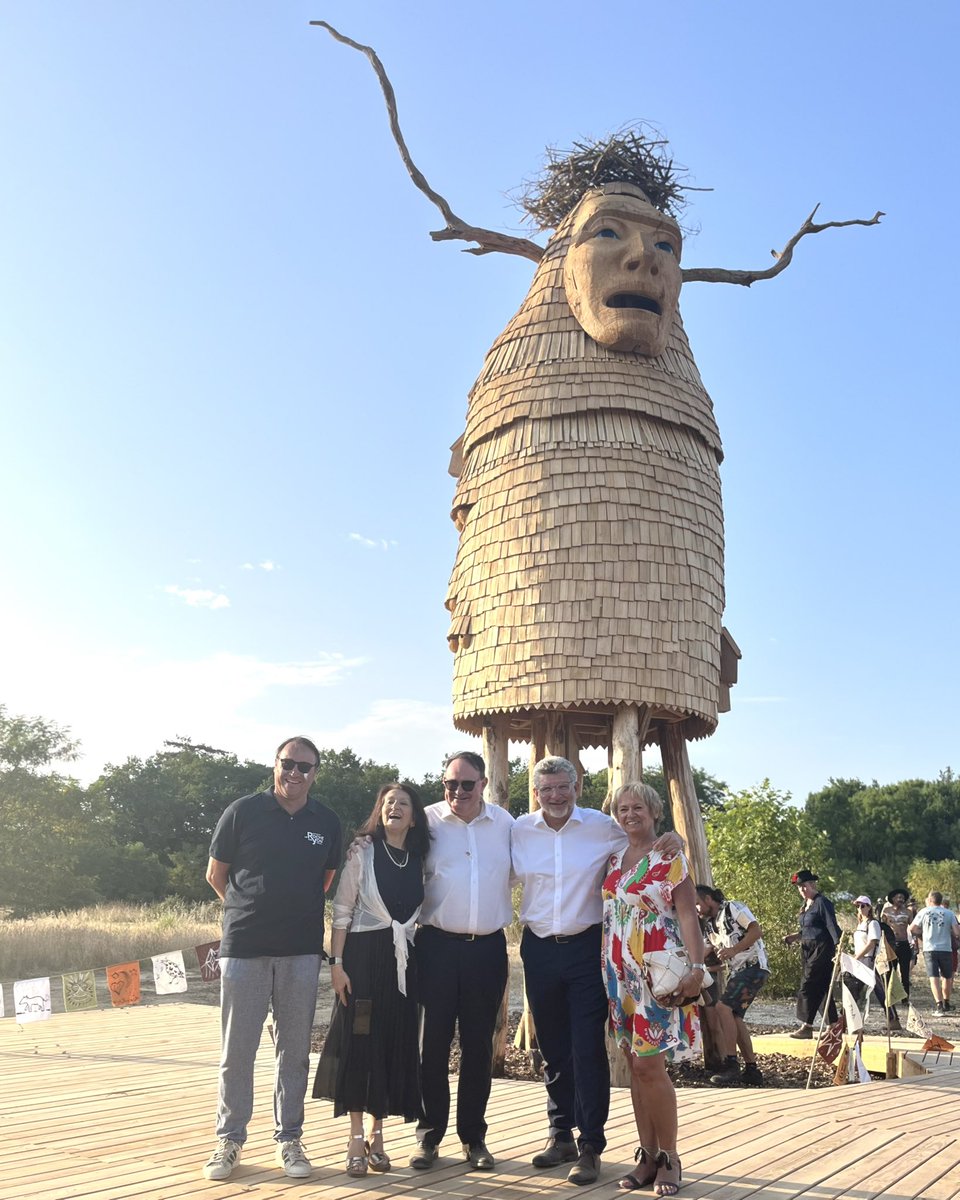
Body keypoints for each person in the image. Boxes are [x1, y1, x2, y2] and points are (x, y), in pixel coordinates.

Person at [511, 756, 682, 1186]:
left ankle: (590, 1144)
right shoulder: (520, 830)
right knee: (552, 1046)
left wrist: (674, 837)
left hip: (587, 948)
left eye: (562, 786)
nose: (554, 795)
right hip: (538, 947)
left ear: (577, 787)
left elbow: (644, 839)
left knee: (587, 1046)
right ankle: (560, 1135)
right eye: (546, 789)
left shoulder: (602, 827)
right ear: (536, 792)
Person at [202, 737, 342, 1181]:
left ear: (315, 773)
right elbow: (216, 874)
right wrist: (249, 910)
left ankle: (290, 1139)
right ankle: (229, 1139)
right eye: (288, 764)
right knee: (237, 1050)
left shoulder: (326, 821)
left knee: (294, 1051)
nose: (295, 773)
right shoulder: (242, 811)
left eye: (305, 767)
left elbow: (325, 880)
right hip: (244, 947)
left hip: (301, 950)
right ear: (275, 764)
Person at [312, 782, 430, 1175]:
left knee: (392, 1043)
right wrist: (337, 965)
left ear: (414, 817)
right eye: (388, 802)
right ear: (380, 811)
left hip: (402, 969)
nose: (395, 807)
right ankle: (355, 1136)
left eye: (403, 803)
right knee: (360, 1043)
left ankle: (378, 1136)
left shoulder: (419, 859)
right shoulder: (362, 853)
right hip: (362, 965)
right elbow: (342, 912)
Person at [411, 750, 514, 1171]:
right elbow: (389, 844)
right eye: (450, 784)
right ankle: (428, 1137)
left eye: (466, 784)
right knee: (430, 1047)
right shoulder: (426, 822)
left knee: (478, 1047)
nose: (457, 791)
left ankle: (474, 1138)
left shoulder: (506, 824)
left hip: (486, 950)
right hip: (434, 947)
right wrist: (364, 841)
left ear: (483, 784)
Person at [603, 782, 704, 1197]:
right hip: (619, 977)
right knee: (635, 1065)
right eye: (623, 809)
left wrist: (697, 967)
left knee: (650, 1066)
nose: (630, 815)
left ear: (655, 811)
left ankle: (670, 1156)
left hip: (655, 976)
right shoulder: (613, 857)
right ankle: (646, 1156)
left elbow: (688, 915)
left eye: (638, 808)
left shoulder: (670, 856)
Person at [694, 885, 769, 1086]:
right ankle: (752, 1070)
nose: (696, 909)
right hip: (738, 973)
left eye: (697, 904)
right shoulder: (710, 926)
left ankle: (731, 1064)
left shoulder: (733, 908)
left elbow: (756, 930)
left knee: (722, 1007)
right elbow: (704, 952)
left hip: (753, 967)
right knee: (734, 1017)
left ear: (708, 899)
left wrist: (734, 950)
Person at [783, 869, 840, 1038]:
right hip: (807, 948)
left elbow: (831, 925)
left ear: (813, 884)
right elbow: (809, 928)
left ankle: (806, 1025)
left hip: (822, 947)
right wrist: (795, 937)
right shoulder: (806, 905)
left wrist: (839, 946)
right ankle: (833, 1025)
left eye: (804, 886)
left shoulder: (822, 902)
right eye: (799, 887)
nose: (802, 890)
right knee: (822, 987)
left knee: (807, 985)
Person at [909, 891, 960, 1014]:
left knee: (934, 977)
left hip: (930, 948)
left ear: (930, 900)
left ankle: (939, 1005)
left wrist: (923, 934)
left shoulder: (924, 912)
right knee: (947, 977)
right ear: (940, 900)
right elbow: (957, 933)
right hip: (946, 948)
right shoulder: (949, 913)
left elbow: (912, 928)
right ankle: (947, 1002)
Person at [880, 887, 914, 1001]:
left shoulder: (908, 912)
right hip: (890, 945)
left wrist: (915, 942)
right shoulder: (886, 911)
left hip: (904, 944)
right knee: (890, 971)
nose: (900, 899)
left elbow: (913, 928)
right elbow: (882, 927)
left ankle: (905, 998)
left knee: (905, 973)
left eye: (902, 898)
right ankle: (890, 997)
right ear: (893, 899)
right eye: (898, 897)